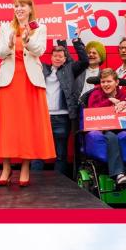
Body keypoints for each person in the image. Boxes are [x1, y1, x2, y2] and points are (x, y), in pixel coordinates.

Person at [0, 0, 56, 186]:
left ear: (30, 9)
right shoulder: (5, 27)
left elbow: (40, 51)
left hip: (30, 81)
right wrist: (10, 43)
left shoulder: (39, 28)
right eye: (16, 6)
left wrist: (27, 40)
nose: (18, 9)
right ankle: (6, 168)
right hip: (9, 81)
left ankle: (25, 168)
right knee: (8, 125)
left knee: (26, 125)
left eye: (23, 6)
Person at [33, 37, 88, 177]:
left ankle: (60, 182)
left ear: (65, 59)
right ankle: (34, 180)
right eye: (55, 56)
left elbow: (84, 61)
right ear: (51, 57)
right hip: (42, 116)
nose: (57, 58)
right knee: (38, 151)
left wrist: (76, 41)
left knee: (61, 153)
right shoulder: (42, 68)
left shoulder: (69, 70)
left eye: (60, 56)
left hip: (62, 117)